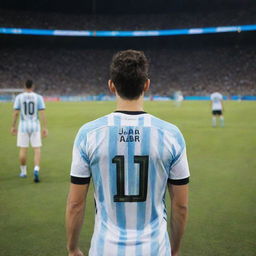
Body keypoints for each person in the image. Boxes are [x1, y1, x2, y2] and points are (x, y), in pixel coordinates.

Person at [66, 50, 190, 256]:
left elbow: (75, 204)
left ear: (111, 85)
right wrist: (174, 249)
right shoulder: (170, 135)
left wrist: (72, 248)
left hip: (105, 248)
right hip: (156, 249)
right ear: (146, 85)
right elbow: (181, 205)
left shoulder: (89, 134)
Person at [11, 80, 48, 182]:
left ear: (24, 86)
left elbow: (16, 113)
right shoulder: (38, 97)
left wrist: (13, 126)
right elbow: (42, 113)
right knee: (37, 149)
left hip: (23, 126)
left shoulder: (19, 97)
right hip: (35, 126)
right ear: (33, 86)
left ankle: (23, 172)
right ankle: (36, 169)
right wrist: (45, 127)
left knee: (23, 149)